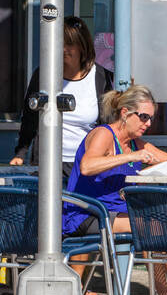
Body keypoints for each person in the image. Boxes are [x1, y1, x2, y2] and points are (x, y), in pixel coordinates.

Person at [64, 84, 167, 295]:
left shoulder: (136, 142)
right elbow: (87, 166)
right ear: (125, 113)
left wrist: (151, 167)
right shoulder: (104, 134)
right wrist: (133, 157)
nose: (148, 124)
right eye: (143, 117)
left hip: (119, 212)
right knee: (152, 226)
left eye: (151, 118)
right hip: (88, 213)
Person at [12, 16, 114, 184]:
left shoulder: (101, 77)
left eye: (70, 44)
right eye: (59, 43)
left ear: (82, 45)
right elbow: (29, 118)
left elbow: (109, 123)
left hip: (86, 163)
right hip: (47, 162)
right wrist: (20, 153)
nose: (64, 49)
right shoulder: (43, 75)